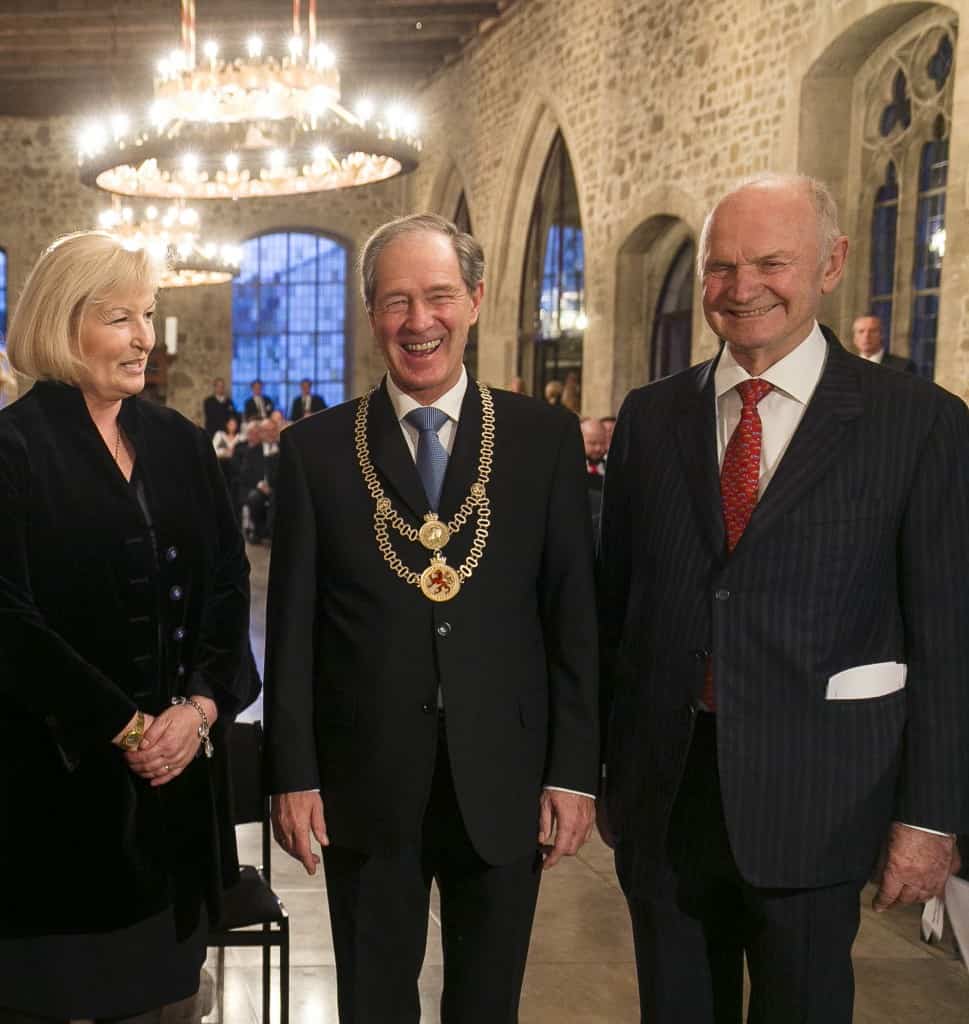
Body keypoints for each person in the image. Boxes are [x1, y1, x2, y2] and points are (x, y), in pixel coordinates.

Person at [597, 174, 969, 1024]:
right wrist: (602, 775)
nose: (741, 287)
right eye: (720, 268)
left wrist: (931, 815)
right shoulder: (651, 420)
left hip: (823, 799)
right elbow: (617, 608)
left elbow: (948, 637)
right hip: (665, 797)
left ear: (832, 264)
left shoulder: (917, 424)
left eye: (770, 262)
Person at [264, 213, 599, 1024]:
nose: (420, 322)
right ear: (371, 312)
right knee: (373, 1003)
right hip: (364, 775)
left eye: (440, 296)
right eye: (396, 302)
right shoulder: (314, 449)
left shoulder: (541, 438)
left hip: (505, 775)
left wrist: (573, 771)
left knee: (488, 1002)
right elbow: (292, 631)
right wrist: (292, 774)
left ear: (476, 299)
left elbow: (572, 617)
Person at [0, 230, 256, 1023]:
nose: (145, 337)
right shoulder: (12, 450)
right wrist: (128, 725)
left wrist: (200, 709)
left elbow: (226, 591)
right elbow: (8, 619)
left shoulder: (178, 444)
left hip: (174, 807)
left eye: (148, 315)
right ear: (59, 321)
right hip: (49, 806)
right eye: (120, 318)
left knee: (168, 1007)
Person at [580, 416, 607, 531]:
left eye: (602, 443)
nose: (598, 448)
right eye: (592, 443)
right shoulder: (570, 470)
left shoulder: (610, 469)